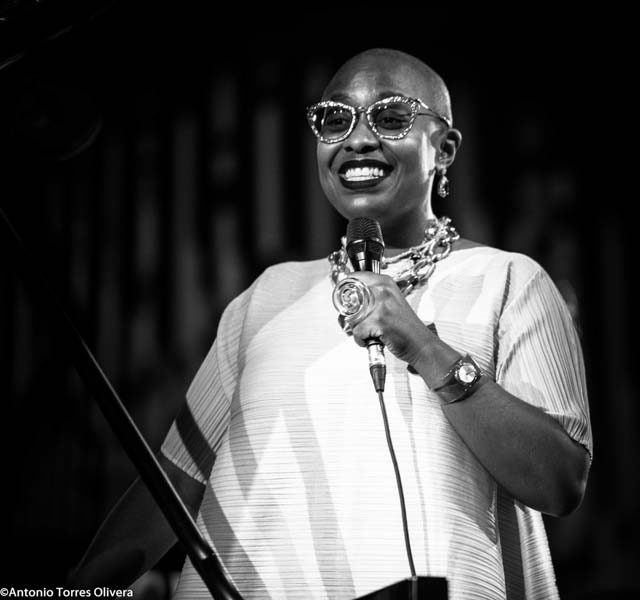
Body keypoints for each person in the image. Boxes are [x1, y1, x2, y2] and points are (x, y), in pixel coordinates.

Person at [69, 48, 592, 599]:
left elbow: (559, 481)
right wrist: (77, 589)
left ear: (444, 149)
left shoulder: (509, 280)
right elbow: (175, 481)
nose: (357, 139)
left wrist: (423, 346)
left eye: (391, 117)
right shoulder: (267, 295)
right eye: (335, 119)